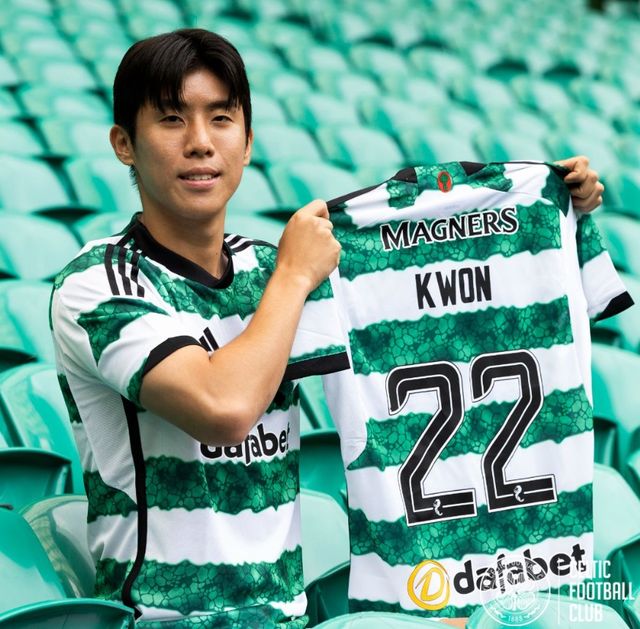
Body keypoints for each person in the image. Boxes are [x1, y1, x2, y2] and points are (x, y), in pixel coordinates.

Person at [50, 28, 606, 628]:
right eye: (171, 119)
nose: (201, 142)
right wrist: (293, 276)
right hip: (166, 621)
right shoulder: (98, 284)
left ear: (247, 142)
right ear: (124, 144)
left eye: (221, 118)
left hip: (290, 619)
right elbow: (222, 409)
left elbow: (446, 304)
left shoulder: (268, 269)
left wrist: (543, 214)